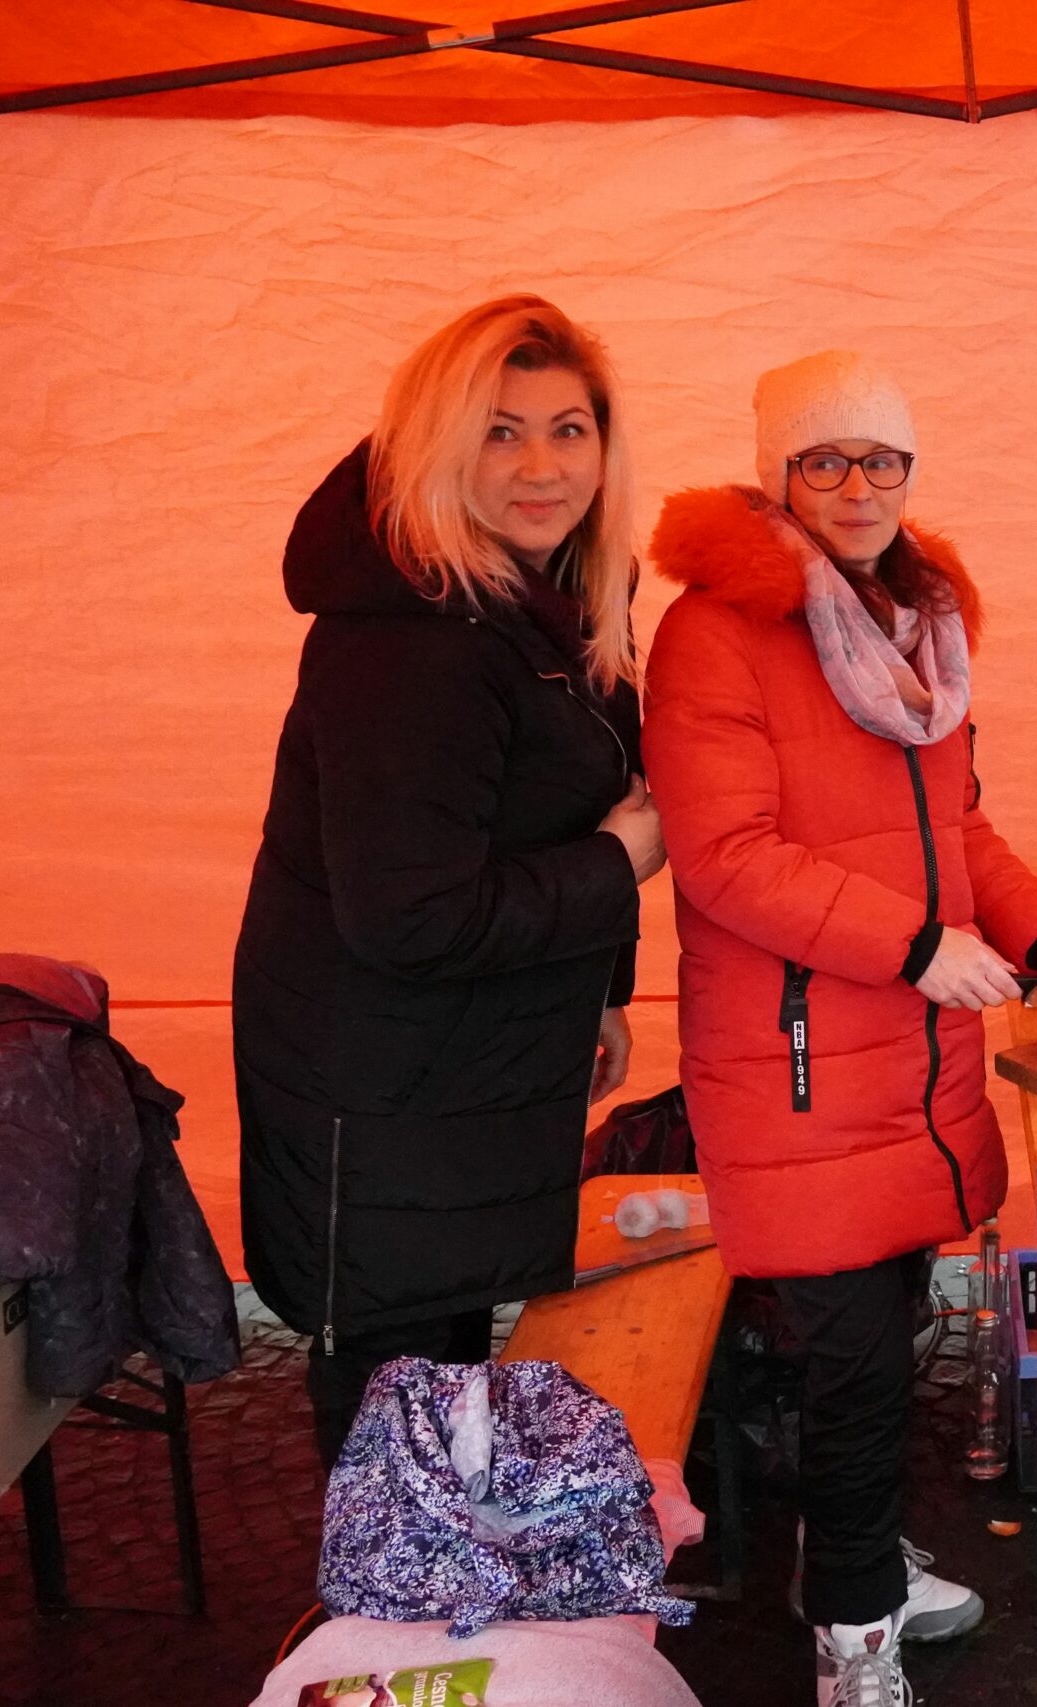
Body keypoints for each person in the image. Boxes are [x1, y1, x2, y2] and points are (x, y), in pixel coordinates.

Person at [644, 351, 1037, 1707]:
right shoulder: (715, 631)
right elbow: (724, 855)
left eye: (883, 459)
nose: (858, 486)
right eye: (826, 460)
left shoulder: (919, 622)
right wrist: (918, 947)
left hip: (915, 1061)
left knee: (886, 1338)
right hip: (797, 1064)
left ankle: (849, 1564)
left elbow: (956, 826)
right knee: (854, 1366)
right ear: (779, 475)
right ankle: (853, 1646)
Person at [233, 296, 665, 1469]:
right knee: (401, 1417)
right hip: (383, 1092)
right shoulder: (412, 638)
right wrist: (618, 866)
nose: (541, 468)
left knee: (447, 1390)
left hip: (467, 1068)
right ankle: (382, 1597)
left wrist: (601, 991)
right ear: (435, 447)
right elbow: (412, 916)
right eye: (498, 432)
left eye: (568, 430)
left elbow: (571, 796)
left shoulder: (551, 594)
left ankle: (447, 1580)